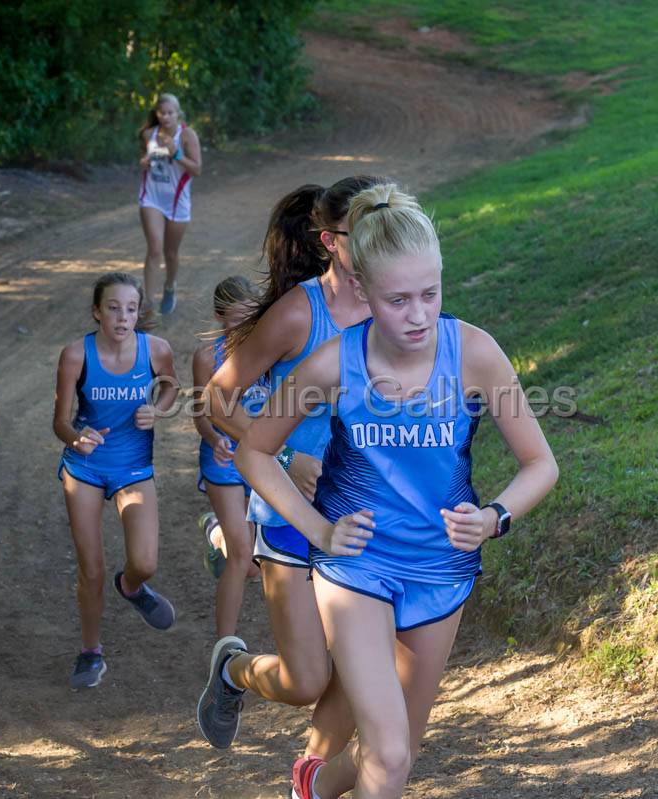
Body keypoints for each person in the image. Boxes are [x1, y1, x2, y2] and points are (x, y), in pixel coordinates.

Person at [234, 183, 560, 798]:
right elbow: (255, 450)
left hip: (442, 569)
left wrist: (495, 517)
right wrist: (318, 530)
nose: (418, 315)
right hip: (356, 566)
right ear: (361, 290)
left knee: (398, 753)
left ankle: (312, 785)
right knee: (387, 753)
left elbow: (540, 463)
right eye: (399, 299)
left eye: (430, 294)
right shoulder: (333, 363)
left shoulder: (476, 353)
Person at [197, 176, 386, 757]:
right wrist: (282, 455)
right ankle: (232, 668)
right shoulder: (299, 313)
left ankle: (312, 776)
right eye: (369, 229)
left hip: (367, 512)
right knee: (308, 681)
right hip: (290, 508)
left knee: (364, 671)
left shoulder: (397, 299)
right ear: (332, 241)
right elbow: (217, 398)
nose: (386, 240)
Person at [53, 272, 179, 689]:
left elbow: (170, 388)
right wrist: (76, 437)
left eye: (131, 308)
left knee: (145, 562)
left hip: (133, 467)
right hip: (85, 468)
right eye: (113, 308)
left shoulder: (156, 350)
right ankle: (91, 653)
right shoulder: (76, 355)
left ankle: (130, 587)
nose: (123, 317)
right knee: (90, 569)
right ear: (96, 312)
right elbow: (60, 421)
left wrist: (157, 411)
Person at [192, 275, 268, 637]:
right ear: (221, 318)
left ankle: (215, 533)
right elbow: (200, 412)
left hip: (259, 457)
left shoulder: (270, 348)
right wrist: (213, 437)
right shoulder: (208, 356)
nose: (244, 328)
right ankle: (224, 646)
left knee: (255, 562)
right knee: (241, 556)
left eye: (250, 319)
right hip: (221, 458)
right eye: (237, 320)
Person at [138, 92, 202, 315]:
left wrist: (176, 154)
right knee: (154, 249)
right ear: (156, 114)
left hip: (177, 201)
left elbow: (196, 169)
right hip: (151, 197)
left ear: (178, 114)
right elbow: (147, 160)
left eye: (170, 113)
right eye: (161, 113)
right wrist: (145, 163)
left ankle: (169, 287)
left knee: (170, 252)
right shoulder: (149, 134)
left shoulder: (187, 136)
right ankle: (147, 302)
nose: (165, 117)